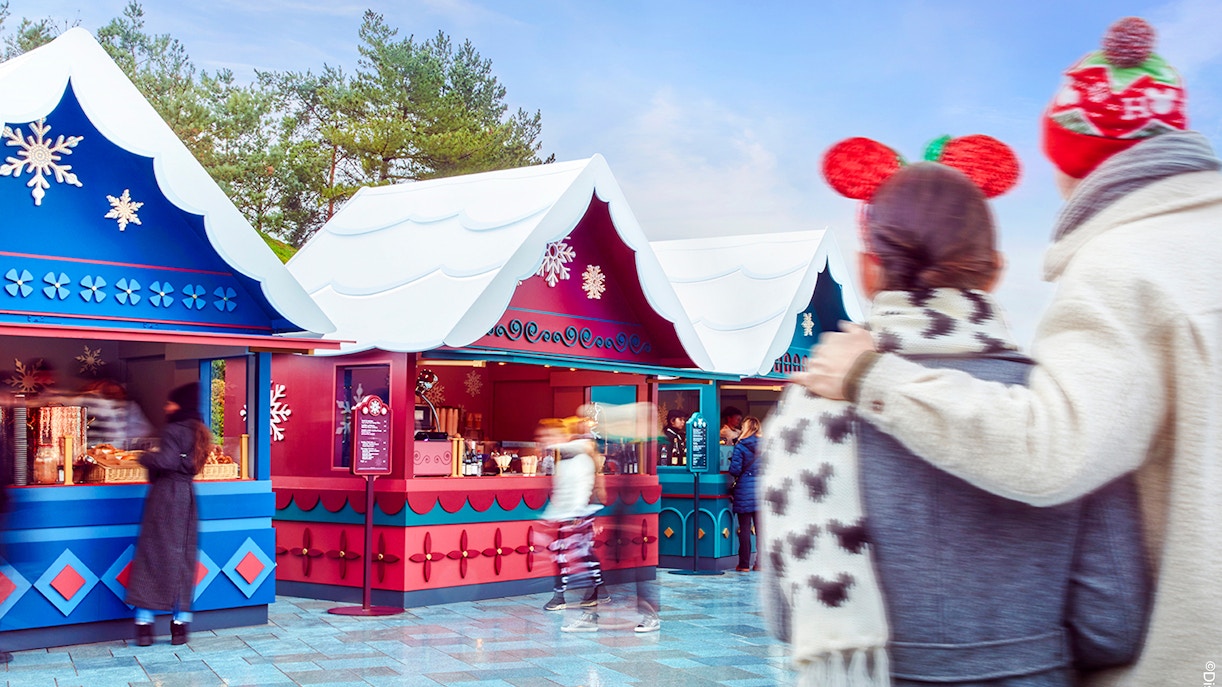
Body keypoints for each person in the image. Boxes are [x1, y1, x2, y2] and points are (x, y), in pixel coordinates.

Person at [799, 18, 1220, 685]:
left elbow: (1056, 451)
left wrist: (874, 377)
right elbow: (1109, 617)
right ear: (991, 267)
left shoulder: (1122, 269)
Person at [765, 137, 1151, 685]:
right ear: (994, 270)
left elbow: (788, 616)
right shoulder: (1059, 403)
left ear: (869, 268)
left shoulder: (813, 405)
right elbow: (1113, 623)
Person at [125, 382, 211, 647]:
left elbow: (166, 461)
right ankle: (180, 627)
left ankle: (144, 627)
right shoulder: (200, 433)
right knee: (183, 560)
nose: (165, 406)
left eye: (170, 402)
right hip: (186, 499)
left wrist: (144, 456)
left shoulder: (172, 429)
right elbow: (186, 464)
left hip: (165, 498)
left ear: (180, 405)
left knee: (151, 558)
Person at [537, 418, 607, 632]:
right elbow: (561, 490)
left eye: (550, 435)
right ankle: (590, 590)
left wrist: (575, 512)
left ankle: (585, 592)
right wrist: (553, 513)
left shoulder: (579, 456)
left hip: (577, 514)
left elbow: (580, 488)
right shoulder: (565, 458)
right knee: (565, 554)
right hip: (567, 514)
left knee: (577, 554)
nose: (545, 439)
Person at [726, 416, 762, 572]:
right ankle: (760, 563)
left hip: (745, 490)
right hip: (762, 490)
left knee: (745, 529)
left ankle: (744, 564)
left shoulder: (740, 446)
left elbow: (735, 470)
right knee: (762, 530)